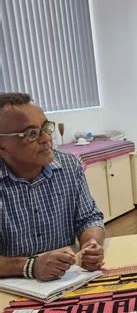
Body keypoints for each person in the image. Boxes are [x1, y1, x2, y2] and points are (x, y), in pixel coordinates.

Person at [0, 92, 105, 282]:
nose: (46, 138)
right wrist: (30, 266)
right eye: (31, 133)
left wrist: (90, 244)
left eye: (46, 127)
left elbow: (89, 218)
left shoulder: (69, 166)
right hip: (10, 288)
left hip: (63, 280)